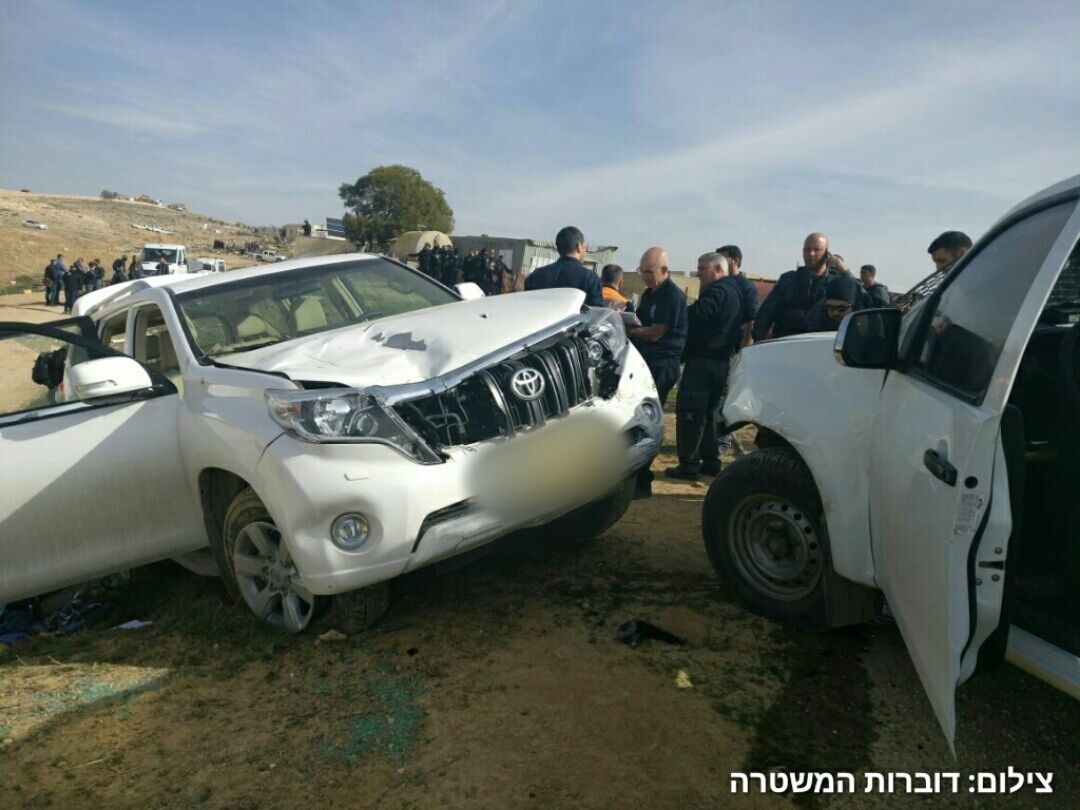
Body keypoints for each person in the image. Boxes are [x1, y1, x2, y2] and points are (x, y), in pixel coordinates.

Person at [666, 253, 742, 481]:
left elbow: (698, 315)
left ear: (718, 270)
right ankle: (710, 460)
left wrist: (681, 313)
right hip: (720, 363)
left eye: (702, 268)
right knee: (708, 414)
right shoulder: (733, 291)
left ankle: (688, 463)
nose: (698, 272)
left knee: (690, 412)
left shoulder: (717, 292)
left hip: (703, 362)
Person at [625, 247, 687, 498]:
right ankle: (636, 475)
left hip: (663, 363)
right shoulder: (649, 295)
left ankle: (643, 480)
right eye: (642, 271)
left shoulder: (672, 296)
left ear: (664, 270)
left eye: (650, 272)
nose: (645, 277)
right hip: (646, 361)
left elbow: (655, 332)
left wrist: (630, 330)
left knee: (650, 420)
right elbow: (641, 323)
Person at [752, 232, 847, 341]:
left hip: (823, 348)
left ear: (827, 253)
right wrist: (758, 342)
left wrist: (845, 271)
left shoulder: (838, 283)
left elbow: (865, 303)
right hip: (788, 346)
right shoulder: (787, 281)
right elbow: (764, 316)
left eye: (816, 250)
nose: (811, 254)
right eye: (807, 250)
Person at [524, 226, 604, 307]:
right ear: (579, 247)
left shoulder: (536, 275)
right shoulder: (590, 278)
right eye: (584, 247)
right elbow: (596, 312)